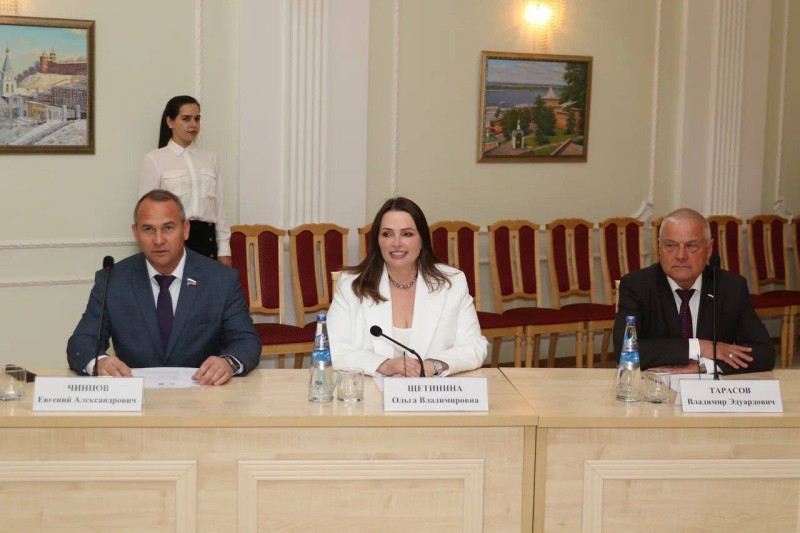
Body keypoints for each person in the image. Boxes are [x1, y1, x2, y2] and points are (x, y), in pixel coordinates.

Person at [67, 190, 261, 385]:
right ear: (136, 233)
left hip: (203, 393)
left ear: (185, 230)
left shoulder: (221, 279)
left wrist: (228, 363)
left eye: (168, 228)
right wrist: (99, 362)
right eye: (148, 229)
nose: (159, 240)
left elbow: (246, 340)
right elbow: (81, 342)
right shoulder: (113, 280)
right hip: (137, 395)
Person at [327, 197, 488, 377]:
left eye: (407, 234)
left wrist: (432, 365)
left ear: (422, 239)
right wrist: (385, 365)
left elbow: (474, 346)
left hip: (432, 390)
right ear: (377, 240)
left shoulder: (452, 283)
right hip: (370, 390)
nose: (396, 243)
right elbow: (334, 349)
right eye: (387, 234)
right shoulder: (351, 285)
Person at [613, 208, 775, 374]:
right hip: (656, 386)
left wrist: (705, 366)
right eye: (671, 246)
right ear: (659, 247)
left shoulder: (730, 287)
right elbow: (624, 351)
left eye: (691, 246)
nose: (681, 256)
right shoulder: (637, 285)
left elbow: (764, 353)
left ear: (709, 249)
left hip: (711, 389)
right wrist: (699, 347)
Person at [139, 95, 231, 266]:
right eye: (186, 119)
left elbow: (220, 210)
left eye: (197, 119)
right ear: (170, 121)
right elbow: (147, 211)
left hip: (207, 241)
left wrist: (224, 250)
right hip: (171, 239)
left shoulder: (210, 159)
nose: (193, 124)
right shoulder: (155, 159)